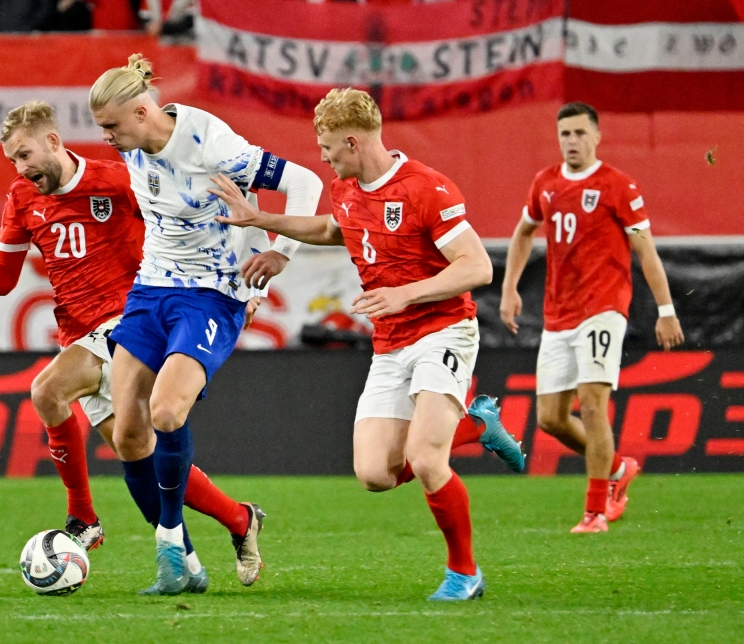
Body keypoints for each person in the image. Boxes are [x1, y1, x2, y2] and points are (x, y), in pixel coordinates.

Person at [208, 87, 525, 601]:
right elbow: (336, 230)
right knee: (375, 474)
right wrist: (262, 219)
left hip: (443, 330)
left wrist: (406, 293)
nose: (324, 156)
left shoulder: (427, 189)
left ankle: (464, 574)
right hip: (391, 343)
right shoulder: (346, 188)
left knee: (424, 459)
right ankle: (478, 426)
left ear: (353, 141)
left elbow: (477, 266)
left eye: (328, 146)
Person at [0, 101, 266, 592]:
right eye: (13, 160)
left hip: (133, 319)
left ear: (54, 142)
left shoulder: (117, 179)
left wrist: (243, 284)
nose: (21, 168)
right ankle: (234, 524)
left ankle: (83, 517)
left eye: (25, 154)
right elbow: (6, 274)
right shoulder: (21, 198)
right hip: (78, 332)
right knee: (139, 456)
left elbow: (197, 214)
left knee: (47, 390)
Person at [89, 54, 323, 595]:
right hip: (151, 291)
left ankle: (169, 540)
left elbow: (305, 183)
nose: (104, 137)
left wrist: (279, 256)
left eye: (111, 126)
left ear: (142, 111)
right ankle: (195, 561)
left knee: (167, 411)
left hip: (211, 295)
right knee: (127, 437)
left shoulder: (210, 144)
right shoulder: (135, 147)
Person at [499, 102, 685, 533]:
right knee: (549, 418)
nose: (572, 142)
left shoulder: (617, 185)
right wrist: (508, 288)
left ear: (597, 137)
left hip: (603, 310)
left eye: (580, 133)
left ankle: (595, 511)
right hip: (557, 314)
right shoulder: (545, 183)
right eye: (565, 134)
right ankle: (618, 468)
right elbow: (523, 233)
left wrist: (666, 310)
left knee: (594, 403)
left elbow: (646, 250)